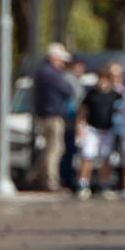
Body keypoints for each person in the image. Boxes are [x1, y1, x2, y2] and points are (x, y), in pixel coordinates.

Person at [29, 44, 76, 192]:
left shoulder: (41, 72)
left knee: (49, 148)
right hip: (52, 116)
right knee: (55, 149)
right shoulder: (51, 74)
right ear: (53, 58)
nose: (63, 64)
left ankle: (36, 175)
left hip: (45, 114)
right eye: (61, 60)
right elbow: (68, 90)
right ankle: (50, 180)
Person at [75, 62, 124, 197]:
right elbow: (82, 112)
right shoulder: (91, 94)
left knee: (105, 158)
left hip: (108, 130)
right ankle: (83, 184)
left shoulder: (115, 95)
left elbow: (120, 111)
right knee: (88, 157)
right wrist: (80, 127)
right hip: (92, 129)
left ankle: (104, 184)